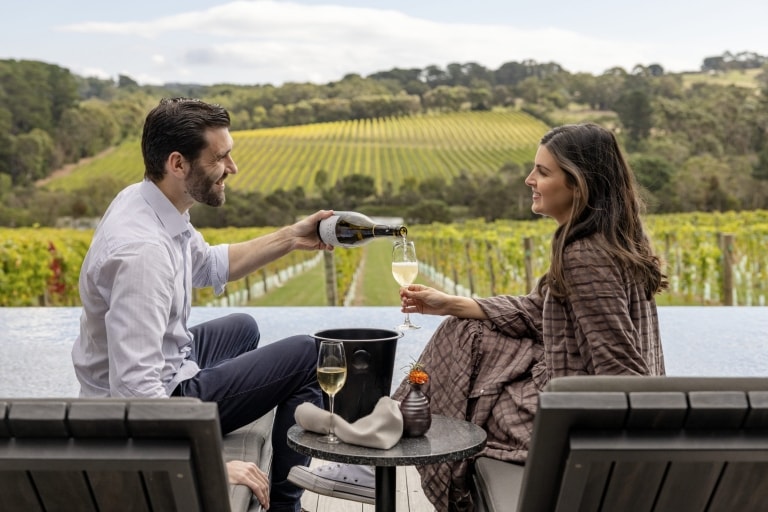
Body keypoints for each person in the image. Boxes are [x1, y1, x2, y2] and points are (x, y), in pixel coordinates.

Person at [292, 123, 667, 511]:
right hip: (574, 406)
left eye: (543, 171)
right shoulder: (607, 242)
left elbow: (621, 373)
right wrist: (454, 303)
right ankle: (378, 442)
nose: (529, 179)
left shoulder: (586, 256)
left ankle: (375, 450)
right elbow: (544, 313)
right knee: (466, 328)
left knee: (470, 358)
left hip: (572, 425)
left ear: (579, 183)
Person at [72, 97, 333, 512]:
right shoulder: (143, 253)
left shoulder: (150, 202)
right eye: (221, 157)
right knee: (307, 355)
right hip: (148, 403)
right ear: (178, 164)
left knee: (243, 326)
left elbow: (210, 264)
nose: (232, 168)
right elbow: (134, 390)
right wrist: (208, 462)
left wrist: (290, 237)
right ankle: (286, 508)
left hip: (166, 366)